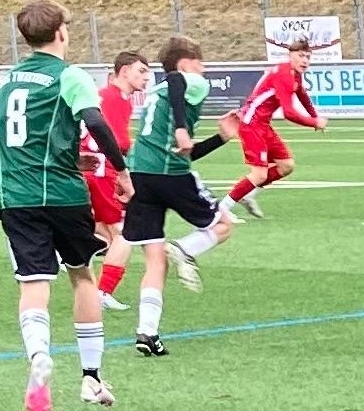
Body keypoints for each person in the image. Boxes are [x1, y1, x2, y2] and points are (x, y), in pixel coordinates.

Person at [0, 0, 134, 411]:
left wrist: (68, 156)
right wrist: (121, 171)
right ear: (61, 33)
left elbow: (14, 140)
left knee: (33, 284)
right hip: (64, 195)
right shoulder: (70, 75)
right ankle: (91, 377)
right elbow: (96, 121)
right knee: (81, 275)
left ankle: (39, 356)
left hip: (17, 195)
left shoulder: (8, 81)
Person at [123, 36, 239, 357]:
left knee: (154, 259)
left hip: (140, 175)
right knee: (223, 225)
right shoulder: (187, 82)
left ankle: (147, 332)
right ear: (186, 63)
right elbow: (177, 81)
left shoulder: (155, 93)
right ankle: (184, 249)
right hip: (169, 175)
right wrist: (180, 127)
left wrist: (221, 138)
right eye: (200, 63)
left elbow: (186, 152)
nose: (204, 70)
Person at [219, 38, 327, 222]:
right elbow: (289, 113)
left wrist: (314, 115)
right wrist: (314, 122)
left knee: (286, 166)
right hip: (251, 123)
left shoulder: (294, 73)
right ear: (290, 55)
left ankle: (248, 194)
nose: (305, 61)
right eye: (301, 56)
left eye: (308, 57)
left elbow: (301, 93)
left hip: (262, 124)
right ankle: (222, 209)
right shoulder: (284, 74)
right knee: (259, 174)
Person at [83, 51, 152, 311]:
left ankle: (68, 245)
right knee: (124, 233)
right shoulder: (115, 99)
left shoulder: (105, 96)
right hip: (102, 170)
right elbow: (116, 141)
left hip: (89, 168)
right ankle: (103, 291)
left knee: (106, 232)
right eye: (141, 71)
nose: (146, 77)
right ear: (124, 71)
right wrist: (126, 171)